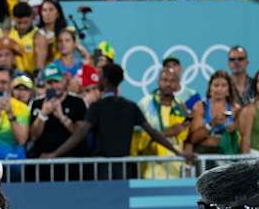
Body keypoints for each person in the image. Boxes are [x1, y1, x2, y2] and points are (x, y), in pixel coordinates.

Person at [46, 64, 194, 175]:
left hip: (102, 171)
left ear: (105, 80)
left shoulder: (97, 107)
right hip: (123, 170)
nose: (98, 79)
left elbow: (80, 134)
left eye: (100, 76)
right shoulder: (130, 106)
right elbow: (153, 133)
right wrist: (177, 152)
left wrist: (54, 154)